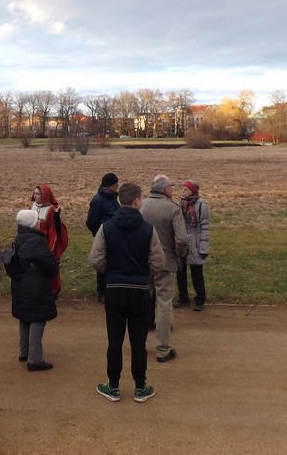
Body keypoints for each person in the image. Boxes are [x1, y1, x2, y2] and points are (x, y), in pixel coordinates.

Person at [89, 183, 165, 403]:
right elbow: (159, 262)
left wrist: (111, 272)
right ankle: (140, 387)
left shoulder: (106, 227)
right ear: (137, 201)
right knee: (138, 342)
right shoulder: (148, 229)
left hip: (114, 289)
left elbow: (95, 259)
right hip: (140, 290)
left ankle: (112, 386)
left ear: (121, 200)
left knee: (115, 341)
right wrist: (143, 273)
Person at [139, 174, 188, 363]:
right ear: (165, 189)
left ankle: (139, 345)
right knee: (164, 304)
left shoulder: (140, 205)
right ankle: (163, 349)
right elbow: (182, 239)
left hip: (143, 262)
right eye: (172, 186)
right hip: (166, 263)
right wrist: (179, 254)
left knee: (142, 304)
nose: (173, 189)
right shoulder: (173, 208)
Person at [11, 210, 59, 372]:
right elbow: (51, 266)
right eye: (36, 220)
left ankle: (24, 352)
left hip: (20, 286)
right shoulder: (38, 242)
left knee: (25, 318)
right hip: (36, 287)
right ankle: (35, 359)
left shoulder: (18, 239)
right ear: (31, 224)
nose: (39, 221)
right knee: (38, 319)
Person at [175, 180, 211, 311]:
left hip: (195, 243)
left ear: (192, 191)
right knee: (180, 272)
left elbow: (205, 227)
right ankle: (183, 298)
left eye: (186, 189)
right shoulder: (180, 204)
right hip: (183, 243)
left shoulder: (201, 205)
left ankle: (200, 299)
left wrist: (203, 247)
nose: (183, 191)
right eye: (182, 189)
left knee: (197, 273)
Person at [86, 173, 120, 302]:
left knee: (112, 263)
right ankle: (102, 293)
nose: (118, 185)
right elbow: (90, 221)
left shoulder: (112, 197)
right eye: (116, 183)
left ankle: (111, 289)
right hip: (104, 237)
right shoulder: (98, 200)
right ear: (109, 185)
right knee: (102, 264)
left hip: (114, 237)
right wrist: (99, 232)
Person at [30, 184, 69, 295]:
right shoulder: (31, 207)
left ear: (45, 195)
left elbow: (56, 231)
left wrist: (56, 220)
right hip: (32, 243)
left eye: (38, 194)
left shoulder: (51, 210)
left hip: (46, 244)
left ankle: (50, 292)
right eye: (34, 193)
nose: (35, 196)